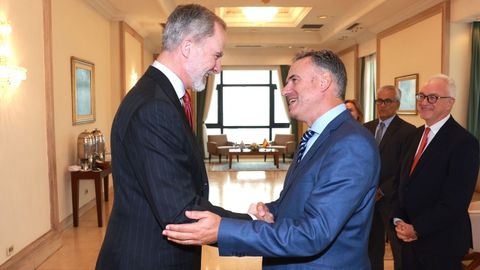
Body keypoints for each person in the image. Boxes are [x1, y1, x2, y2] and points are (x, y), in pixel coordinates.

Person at [163, 50, 381, 269]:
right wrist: (271, 211)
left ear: (324, 81)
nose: (285, 90)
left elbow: (313, 233)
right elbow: (299, 203)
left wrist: (222, 229)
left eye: (294, 80)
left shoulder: (351, 144)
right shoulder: (317, 137)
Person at [95, 4, 252, 270]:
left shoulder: (162, 97)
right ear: (188, 47)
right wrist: (251, 224)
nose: (218, 68)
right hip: (147, 259)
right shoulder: (154, 107)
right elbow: (180, 213)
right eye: (216, 55)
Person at [393, 74, 480, 270]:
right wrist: (399, 221)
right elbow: (402, 185)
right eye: (421, 96)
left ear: (449, 103)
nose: (424, 102)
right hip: (407, 241)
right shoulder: (413, 137)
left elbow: (455, 202)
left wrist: (417, 229)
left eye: (432, 97)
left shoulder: (464, 143)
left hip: (441, 244)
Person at [364, 85, 416, 270]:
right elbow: (362, 162)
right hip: (368, 199)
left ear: (397, 104)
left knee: (398, 248)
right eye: (379, 100)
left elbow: (405, 168)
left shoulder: (409, 132)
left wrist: (382, 190)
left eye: (387, 101)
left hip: (393, 200)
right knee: (371, 247)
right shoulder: (366, 128)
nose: (382, 105)